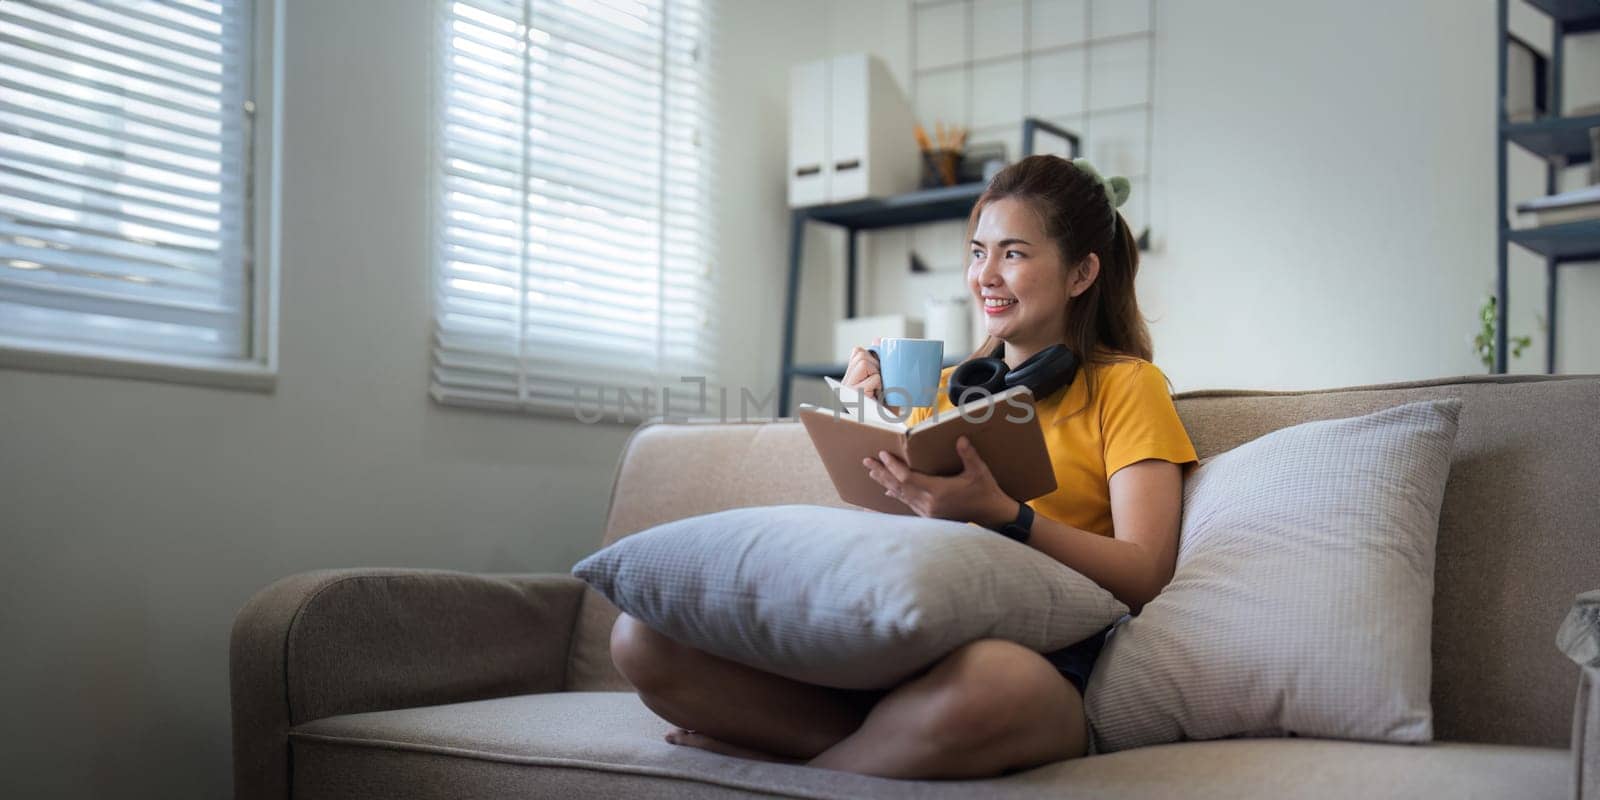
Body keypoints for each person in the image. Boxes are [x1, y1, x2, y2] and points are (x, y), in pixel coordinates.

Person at [609, 155, 1198, 779]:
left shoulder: (1127, 386)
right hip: (894, 654)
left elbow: (1146, 572)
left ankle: (801, 770)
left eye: (1014, 254)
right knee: (642, 640)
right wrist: (871, 430)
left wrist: (1006, 517)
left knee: (990, 686)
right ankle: (866, 756)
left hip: (1027, 664)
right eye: (977, 252)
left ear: (1082, 273)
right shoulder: (938, 391)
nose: (985, 276)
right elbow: (894, 547)